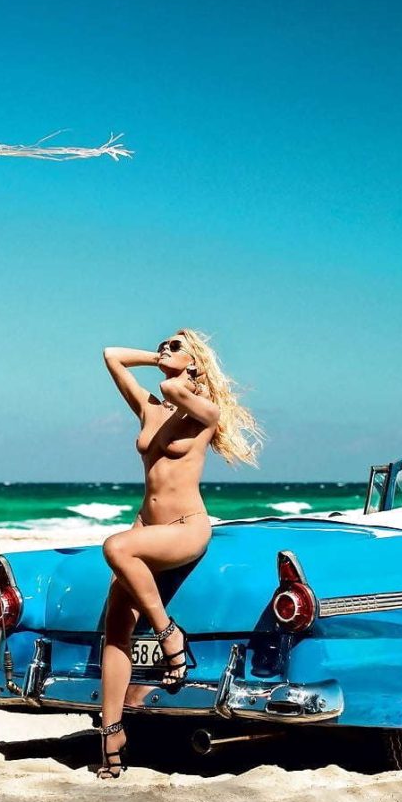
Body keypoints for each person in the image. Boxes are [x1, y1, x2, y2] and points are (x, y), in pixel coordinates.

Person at [96, 328, 263, 779]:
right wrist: (160, 358)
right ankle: (111, 734)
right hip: (147, 527)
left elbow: (175, 390)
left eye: (174, 346)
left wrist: (180, 373)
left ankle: (169, 634)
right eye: (162, 345)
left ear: (194, 362)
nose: (163, 349)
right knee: (116, 628)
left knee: (114, 547)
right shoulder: (150, 407)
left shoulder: (204, 412)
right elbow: (111, 355)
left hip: (185, 527)